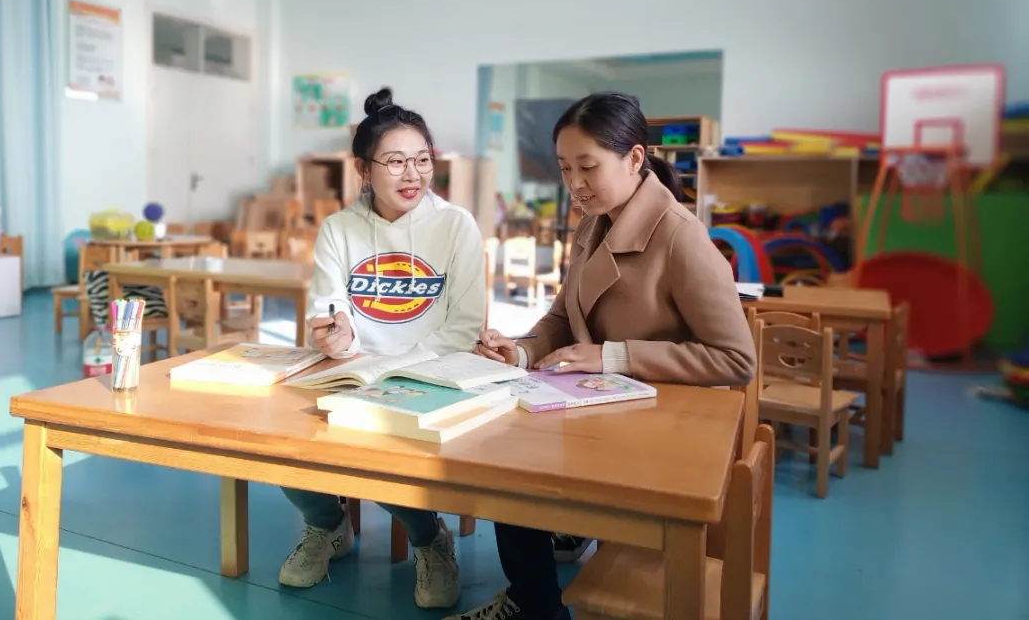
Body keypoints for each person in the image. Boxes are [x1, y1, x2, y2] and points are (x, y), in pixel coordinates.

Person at [446, 92, 756, 620]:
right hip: (600, 408)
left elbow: (735, 358)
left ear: (635, 159)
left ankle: (535, 605)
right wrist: (520, 352)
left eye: (588, 167)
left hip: (663, 429)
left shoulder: (681, 237)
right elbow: (562, 316)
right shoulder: (593, 223)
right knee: (506, 463)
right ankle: (538, 590)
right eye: (565, 168)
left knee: (516, 474)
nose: (575, 183)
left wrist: (613, 357)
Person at [279, 86, 486, 610]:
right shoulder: (339, 229)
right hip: (352, 372)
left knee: (378, 441)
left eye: (422, 160)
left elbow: (464, 327)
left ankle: (429, 538)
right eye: (395, 161)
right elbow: (329, 305)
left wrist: (390, 368)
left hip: (434, 375)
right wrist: (336, 333)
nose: (412, 174)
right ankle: (327, 525)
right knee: (276, 434)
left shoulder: (456, 226)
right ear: (363, 170)